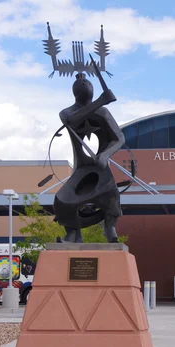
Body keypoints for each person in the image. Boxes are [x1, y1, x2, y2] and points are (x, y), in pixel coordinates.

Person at [53, 72, 125, 243]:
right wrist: (100, 101)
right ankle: (72, 234)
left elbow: (119, 138)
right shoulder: (66, 112)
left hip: (99, 166)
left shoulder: (103, 113)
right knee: (62, 200)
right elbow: (71, 120)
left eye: (88, 85)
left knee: (112, 195)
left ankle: (110, 229)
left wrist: (105, 154)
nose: (85, 86)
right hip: (81, 168)